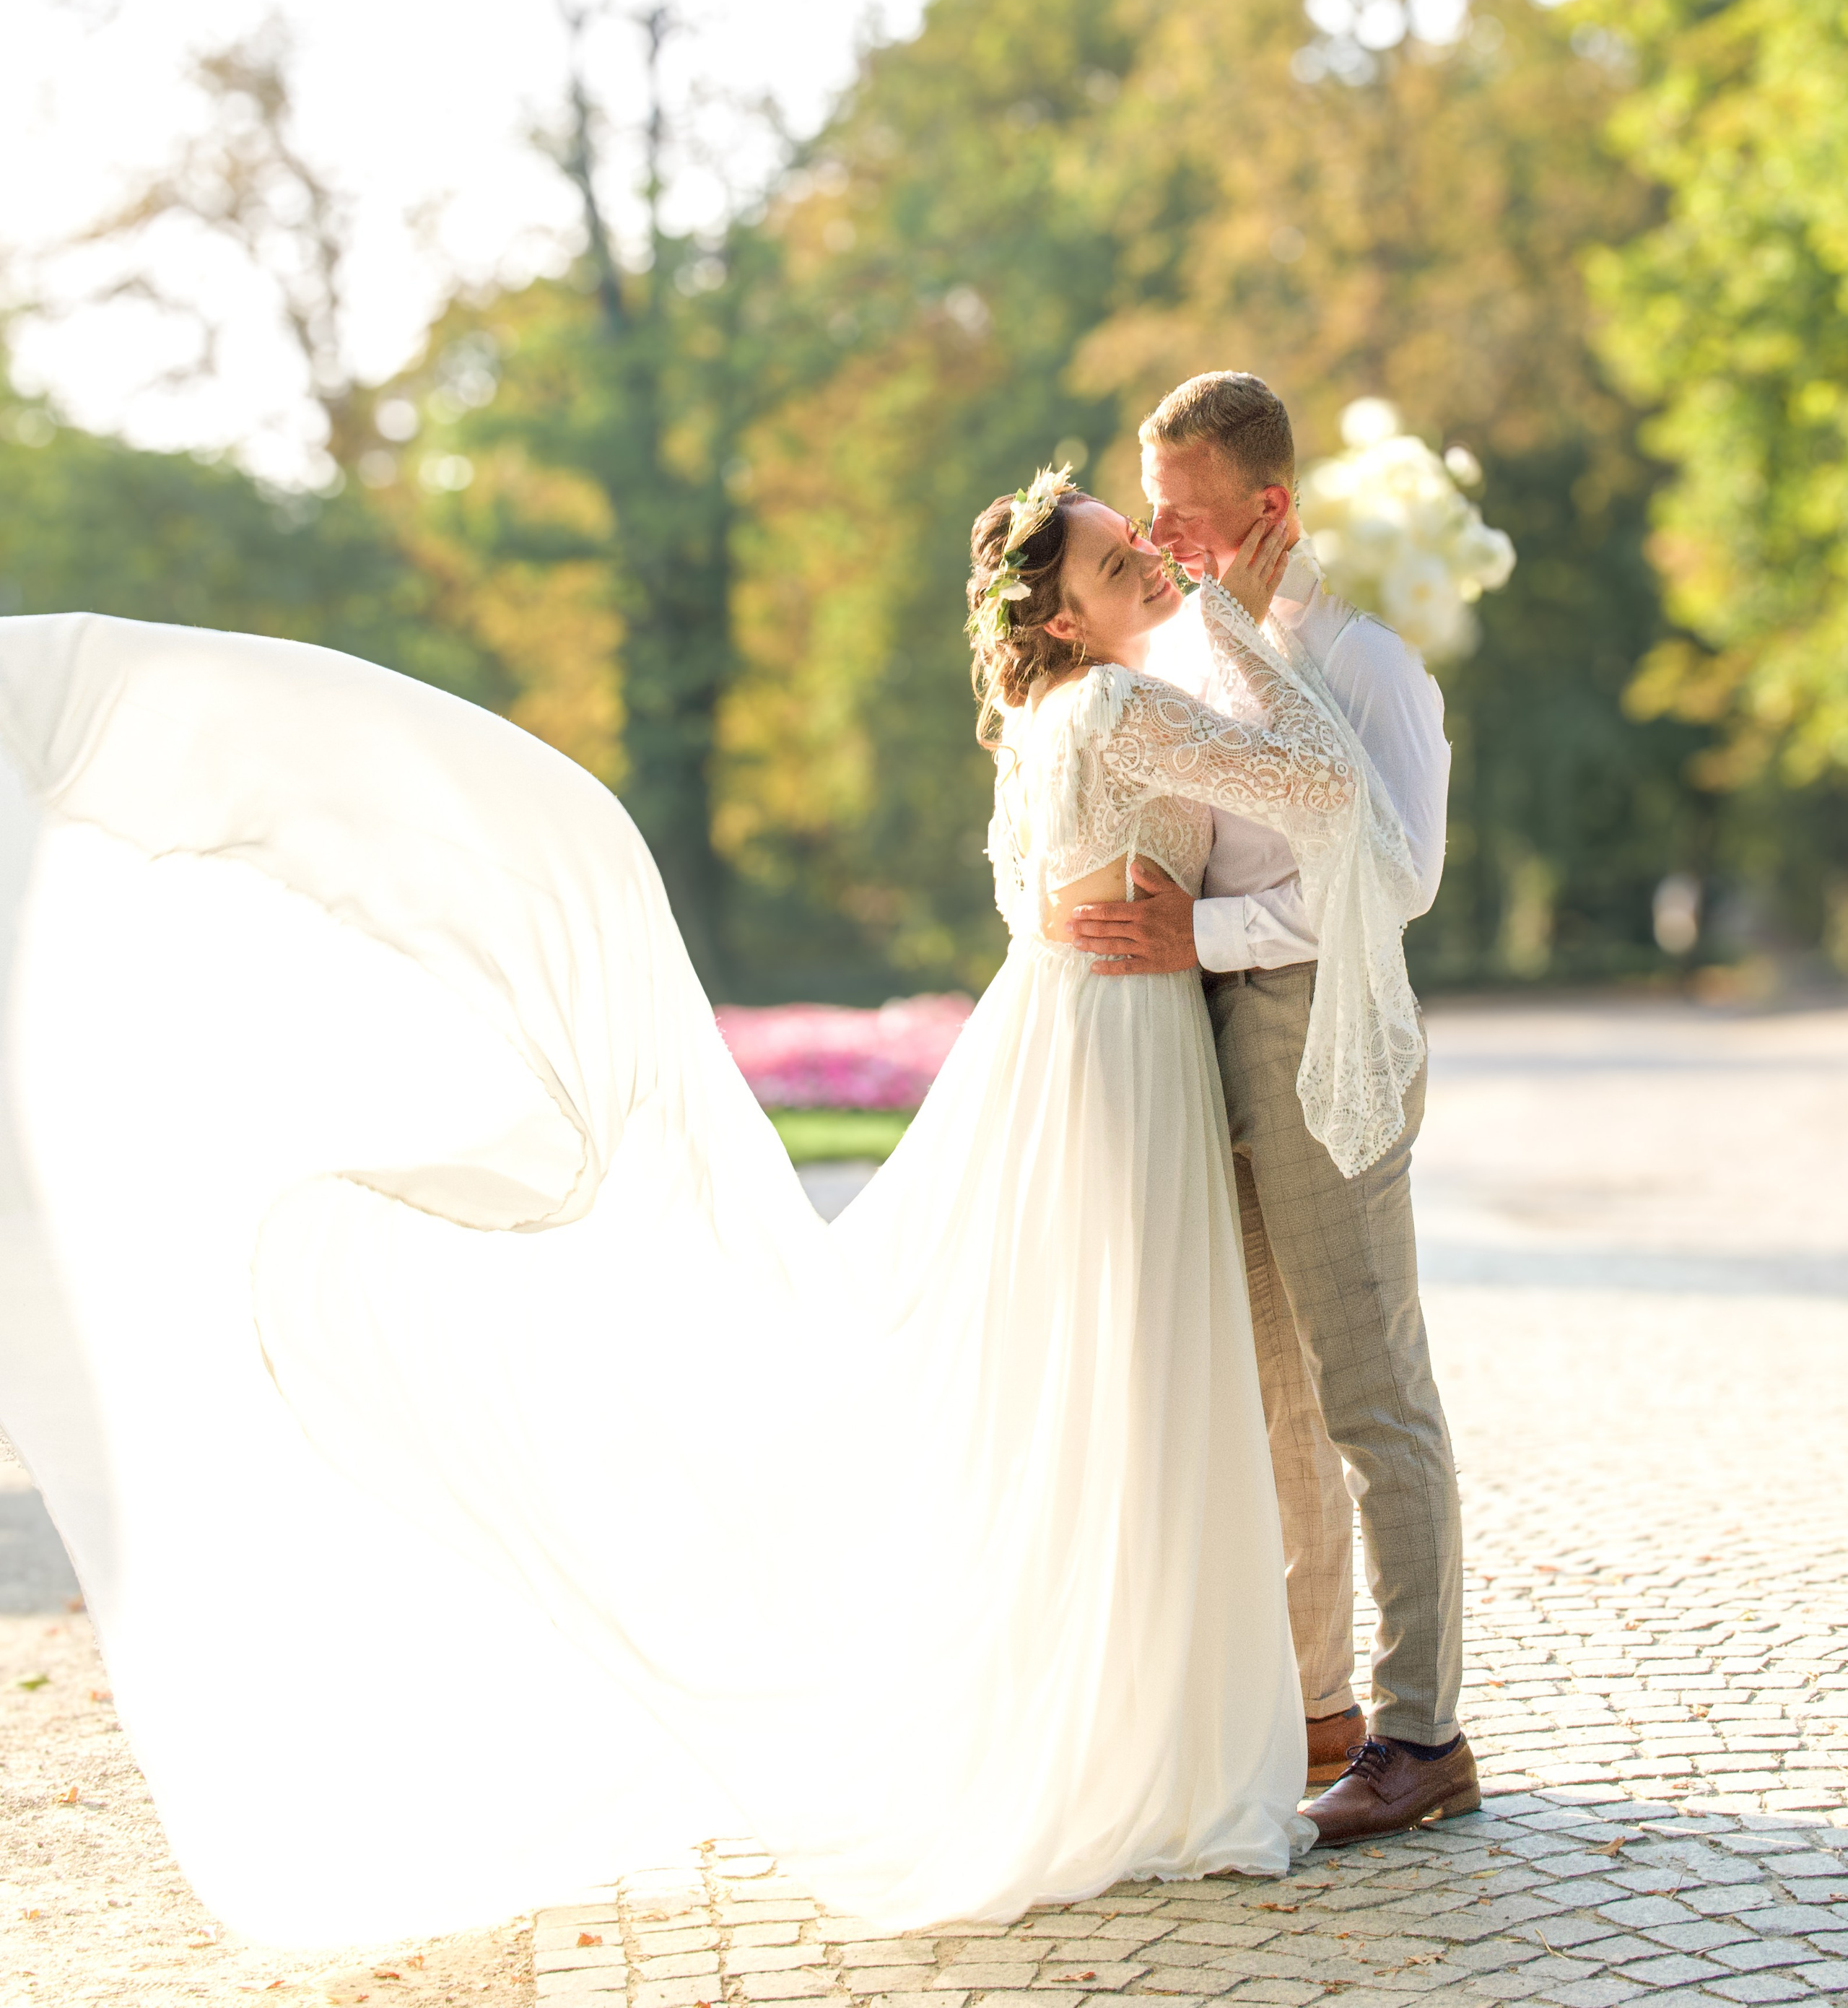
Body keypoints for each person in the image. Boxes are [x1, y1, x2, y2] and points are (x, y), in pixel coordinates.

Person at [0, 469, 1425, 1950]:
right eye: (1118, 555)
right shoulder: (1120, 711)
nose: (1145, 562)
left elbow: (1028, 907)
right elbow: (1327, 785)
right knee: (1127, 1388)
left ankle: (1129, 1729)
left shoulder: (1046, 727)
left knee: (1089, 1392)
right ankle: (1147, 1749)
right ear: (1061, 613)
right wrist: (1241, 617)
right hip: (1113, 1060)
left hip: (1069, 1041)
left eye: (1140, 547)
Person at [1067, 371, 1477, 1843]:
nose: (1162, 539)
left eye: (1180, 513)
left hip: (1323, 1035)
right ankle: (1318, 1705)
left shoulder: (1365, 668)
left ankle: (1421, 1731)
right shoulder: (1176, 651)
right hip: (1199, 1045)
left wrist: (1205, 939)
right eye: (1147, 508)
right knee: (1270, 1395)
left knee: (1371, 1387)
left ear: (1267, 508)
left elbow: (1392, 882)